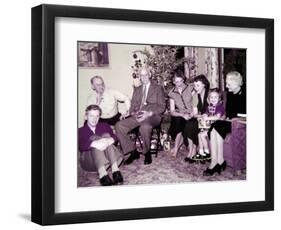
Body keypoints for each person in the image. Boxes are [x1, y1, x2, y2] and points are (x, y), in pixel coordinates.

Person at [115, 67, 166, 165]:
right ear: (140, 77)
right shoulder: (137, 89)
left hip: (153, 116)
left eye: (146, 74)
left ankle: (147, 153)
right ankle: (132, 151)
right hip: (138, 115)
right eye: (142, 75)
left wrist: (149, 113)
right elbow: (133, 104)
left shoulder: (158, 88)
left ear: (150, 75)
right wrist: (129, 112)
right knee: (119, 125)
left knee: (145, 127)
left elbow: (162, 107)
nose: (144, 77)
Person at [203, 71, 246, 176]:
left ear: (236, 82)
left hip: (239, 124)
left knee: (216, 125)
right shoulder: (230, 94)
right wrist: (224, 117)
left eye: (228, 84)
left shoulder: (245, 94)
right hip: (229, 122)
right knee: (214, 126)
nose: (226, 86)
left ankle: (216, 162)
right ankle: (218, 161)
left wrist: (234, 118)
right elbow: (228, 112)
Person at [78, 105, 124, 186]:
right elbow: (80, 145)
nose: (94, 119)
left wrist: (110, 139)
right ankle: (102, 172)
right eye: (91, 116)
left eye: (97, 116)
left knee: (106, 135)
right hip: (89, 161)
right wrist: (93, 143)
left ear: (99, 117)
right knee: (95, 138)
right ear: (86, 117)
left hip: (107, 158)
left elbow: (115, 137)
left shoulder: (104, 126)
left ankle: (115, 170)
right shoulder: (80, 130)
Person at [182, 74, 210, 163]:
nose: (195, 87)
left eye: (198, 85)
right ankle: (192, 150)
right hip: (200, 118)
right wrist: (198, 116)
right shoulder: (195, 96)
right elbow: (195, 113)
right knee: (189, 123)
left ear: (204, 85)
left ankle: (197, 151)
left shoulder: (210, 95)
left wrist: (201, 116)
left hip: (209, 119)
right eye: (194, 85)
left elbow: (213, 110)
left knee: (194, 124)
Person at [167, 70, 193, 157]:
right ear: (173, 81)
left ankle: (176, 148)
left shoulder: (190, 88)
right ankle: (176, 148)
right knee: (178, 120)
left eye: (181, 81)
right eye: (176, 82)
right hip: (181, 114)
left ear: (183, 79)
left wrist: (191, 114)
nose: (179, 84)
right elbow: (172, 111)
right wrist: (183, 115)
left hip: (192, 113)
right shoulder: (172, 93)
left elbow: (196, 104)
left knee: (181, 123)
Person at [196, 88, 225, 160]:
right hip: (208, 125)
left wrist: (207, 118)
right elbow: (206, 113)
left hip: (216, 127)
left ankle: (207, 152)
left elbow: (217, 117)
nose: (213, 99)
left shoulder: (219, 107)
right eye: (211, 97)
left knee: (202, 135)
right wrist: (204, 116)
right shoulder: (209, 106)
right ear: (209, 98)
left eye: (215, 97)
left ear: (219, 98)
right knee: (199, 134)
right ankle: (201, 151)